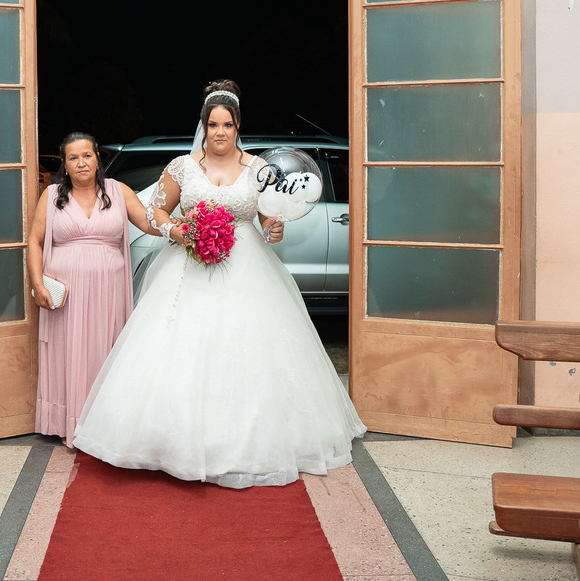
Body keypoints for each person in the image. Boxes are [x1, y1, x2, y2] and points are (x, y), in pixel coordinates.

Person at [73, 80, 367, 488]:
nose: (220, 132)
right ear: (203, 126)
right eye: (213, 124)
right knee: (182, 346)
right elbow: (155, 212)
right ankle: (170, 441)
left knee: (248, 352)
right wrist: (178, 233)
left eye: (228, 124)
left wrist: (273, 227)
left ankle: (245, 442)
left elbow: (266, 216)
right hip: (186, 265)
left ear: (238, 126)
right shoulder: (181, 167)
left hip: (248, 267)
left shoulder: (259, 170)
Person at [26, 131, 155, 448]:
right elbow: (35, 241)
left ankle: (104, 420)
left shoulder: (119, 191)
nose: (81, 163)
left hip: (108, 292)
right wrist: (37, 283)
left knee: (104, 349)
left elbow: (151, 224)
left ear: (98, 159)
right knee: (68, 351)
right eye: (73, 157)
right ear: (64, 165)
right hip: (67, 295)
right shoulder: (52, 196)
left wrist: (190, 222)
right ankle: (65, 420)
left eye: (87, 155)